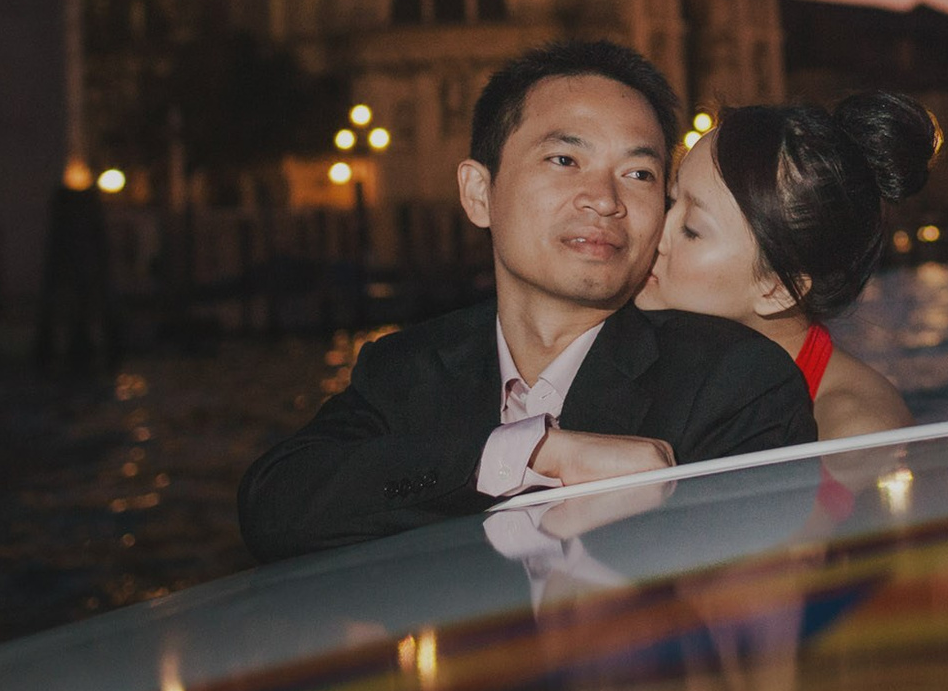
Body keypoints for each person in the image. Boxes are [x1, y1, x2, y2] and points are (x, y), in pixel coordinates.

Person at [238, 41, 817, 563]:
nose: (604, 200)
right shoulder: (408, 370)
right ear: (479, 193)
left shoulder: (735, 385)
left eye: (638, 173)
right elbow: (274, 506)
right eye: (565, 160)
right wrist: (527, 453)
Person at [638, 93, 937, 438]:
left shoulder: (851, 432)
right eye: (670, 200)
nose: (655, 229)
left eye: (691, 230)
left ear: (777, 288)